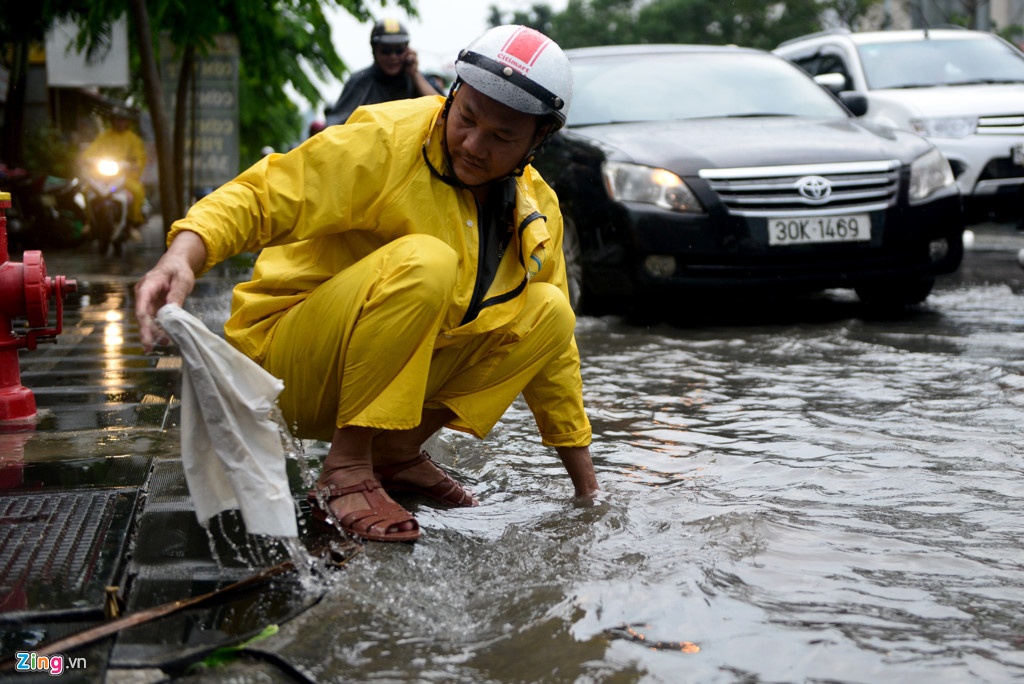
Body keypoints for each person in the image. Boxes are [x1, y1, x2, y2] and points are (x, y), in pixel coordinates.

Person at [134, 24, 599, 543]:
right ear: (451, 97)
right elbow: (266, 195)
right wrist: (183, 254)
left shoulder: (539, 210)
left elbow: (555, 358)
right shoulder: (386, 139)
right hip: (286, 366)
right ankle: (348, 467)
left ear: (537, 141)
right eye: (466, 118)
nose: (472, 144)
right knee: (427, 261)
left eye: (502, 137)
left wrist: (588, 493)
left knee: (551, 310)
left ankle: (395, 454)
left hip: (374, 380)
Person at [323, 18, 443, 127]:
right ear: (374, 51)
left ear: (407, 50)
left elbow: (443, 113)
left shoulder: (419, 79)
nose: (393, 57)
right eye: (386, 51)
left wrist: (415, 74)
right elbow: (334, 126)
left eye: (399, 50)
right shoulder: (359, 81)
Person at [82, 108, 147, 227]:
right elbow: (91, 150)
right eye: (118, 120)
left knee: (137, 191)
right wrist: (85, 159)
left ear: (127, 122)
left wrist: (135, 165)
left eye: (123, 120)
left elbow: (139, 156)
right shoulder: (104, 137)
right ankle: (89, 222)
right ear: (113, 121)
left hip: (125, 177)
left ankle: (132, 222)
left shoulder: (133, 139)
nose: (121, 123)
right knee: (86, 191)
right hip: (102, 176)